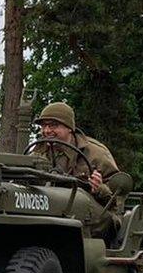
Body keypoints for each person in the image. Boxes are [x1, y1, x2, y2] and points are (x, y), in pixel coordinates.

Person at [29, 102, 120, 239]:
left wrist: (100, 188)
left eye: (53, 125)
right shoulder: (38, 153)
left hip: (91, 217)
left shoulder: (95, 153)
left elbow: (118, 197)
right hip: (48, 212)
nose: (47, 131)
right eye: (43, 126)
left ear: (69, 128)